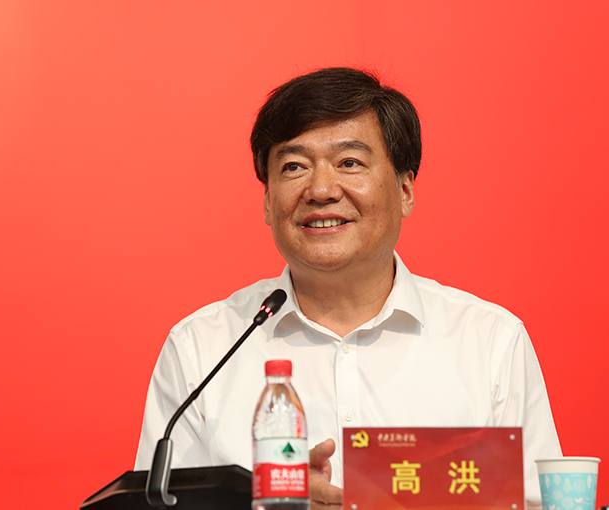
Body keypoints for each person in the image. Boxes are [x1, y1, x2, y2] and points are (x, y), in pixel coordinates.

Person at [134, 67, 561, 509]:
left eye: (349, 163)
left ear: (405, 189)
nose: (320, 190)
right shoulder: (201, 350)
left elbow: (541, 503)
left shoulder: (489, 343)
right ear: (267, 202)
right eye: (294, 167)